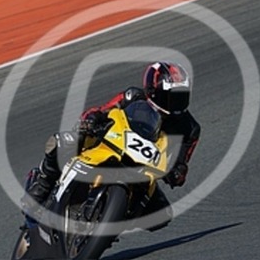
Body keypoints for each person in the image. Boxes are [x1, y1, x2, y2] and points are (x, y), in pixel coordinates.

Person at [21, 61, 201, 230]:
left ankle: (110, 222)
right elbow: (101, 110)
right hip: (109, 144)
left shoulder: (190, 128)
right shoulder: (133, 96)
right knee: (64, 142)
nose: (177, 103)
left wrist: (177, 173)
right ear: (154, 91)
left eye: (182, 96)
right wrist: (91, 120)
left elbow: (182, 162)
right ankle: (41, 185)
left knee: (161, 216)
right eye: (172, 96)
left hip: (143, 168)